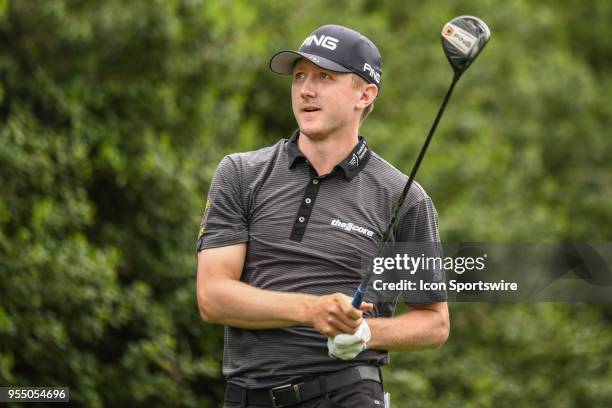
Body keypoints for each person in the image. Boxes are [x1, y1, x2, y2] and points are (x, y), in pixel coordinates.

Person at [196, 24, 450, 408]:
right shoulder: (241, 173)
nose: (306, 90)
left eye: (324, 77)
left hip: (347, 393)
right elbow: (212, 297)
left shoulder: (404, 198)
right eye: (299, 76)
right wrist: (312, 310)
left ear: (365, 94)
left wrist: (366, 331)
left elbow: (434, 322)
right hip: (246, 396)